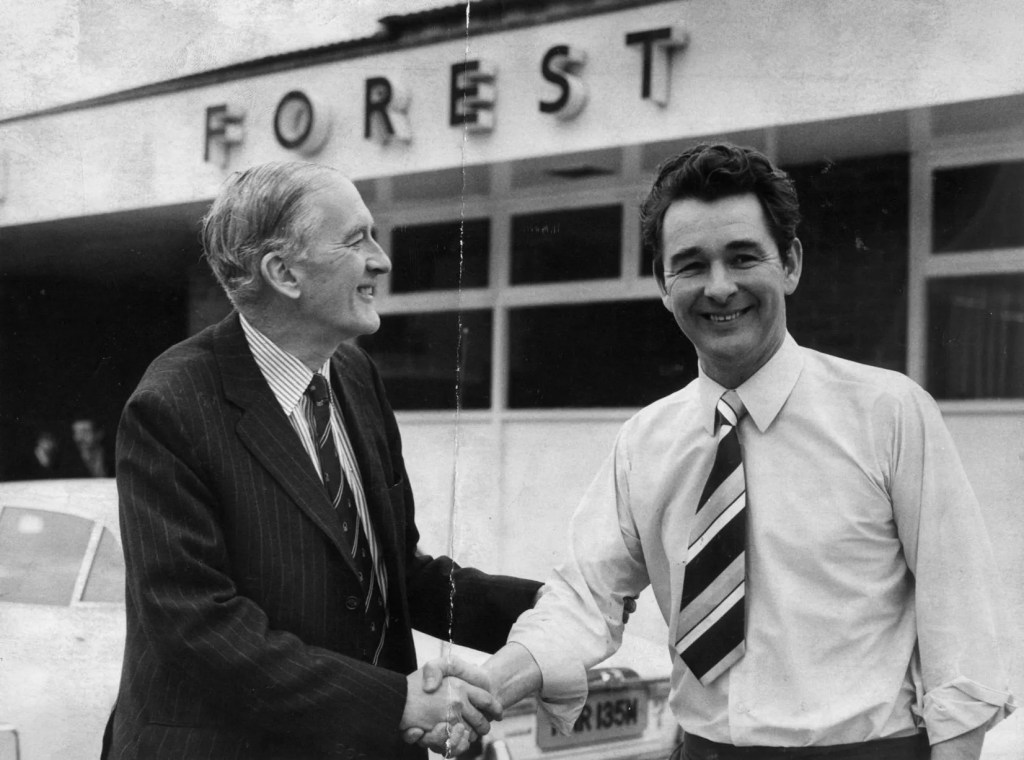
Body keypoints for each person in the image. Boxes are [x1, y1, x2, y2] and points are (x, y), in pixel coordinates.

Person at [438, 143, 1015, 760]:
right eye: (691, 264)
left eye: (743, 257)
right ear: (663, 283)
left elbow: (962, 624)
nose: (719, 287)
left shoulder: (889, 414)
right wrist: (496, 681)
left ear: (789, 263)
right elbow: (584, 600)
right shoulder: (645, 442)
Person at [103, 161, 541, 759]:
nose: (382, 260)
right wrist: (395, 703)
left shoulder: (356, 374)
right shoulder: (172, 405)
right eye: (356, 239)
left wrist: (544, 609)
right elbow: (198, 626)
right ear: (284, 273)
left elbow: (392, 577)